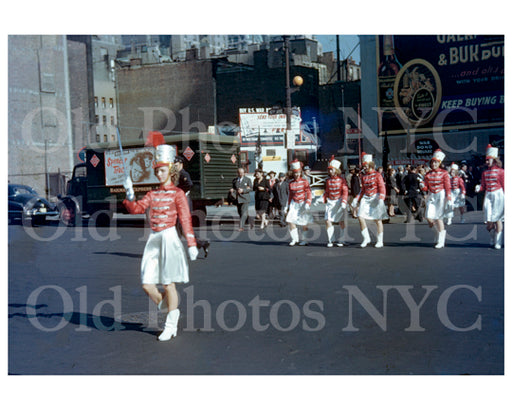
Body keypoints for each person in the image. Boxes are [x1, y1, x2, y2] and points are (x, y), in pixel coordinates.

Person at [123, 143, 198, 342]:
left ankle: (170, 324)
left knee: (168, 283)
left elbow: (185, 219)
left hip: (170, 237)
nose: (158, 174)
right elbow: (137, 209)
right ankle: (171, 311)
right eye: (157, 171)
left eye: (162, 170)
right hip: (154, 239)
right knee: (147, 284)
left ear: (170, 171)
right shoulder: (152, 194)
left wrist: (191, 243)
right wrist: (130, 194)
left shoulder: (178, 194)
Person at [174, 156, 210, 257]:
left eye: (176, 165)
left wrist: (180, 192)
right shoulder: (177, 174)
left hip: (184, 204)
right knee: (180, 228)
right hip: (180, 203)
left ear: (181, 164)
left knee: (180, 227)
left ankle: (200, 243)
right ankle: (201, 243)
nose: (174, 167)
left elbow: (189, 184)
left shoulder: (183, 174)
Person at [351, 153, 387, 248]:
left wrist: (381, 199)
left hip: (376, 197)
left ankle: (380, 240)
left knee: (377, 219)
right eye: (363, 166)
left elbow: (381, 187)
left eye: (365, 165)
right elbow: (362, 190)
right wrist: (356, 199)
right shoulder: (363, 176)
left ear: (370, 165)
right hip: (366, 198)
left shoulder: (377, 175)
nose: (364, 167)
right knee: (360, 216)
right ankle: (366, 238)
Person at [475, 145, 504, 249]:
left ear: (494, 160)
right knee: (489, 223)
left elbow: (505, 185)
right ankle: (492, 237)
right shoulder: (484, 172)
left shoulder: (501, 171)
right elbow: (483, 185)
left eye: (488, 160)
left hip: (499, 195)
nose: (486, 162)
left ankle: (498, 241)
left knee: (498, 219)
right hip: (488, 196)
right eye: (486, 160)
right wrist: (479, 188)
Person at [421, 149, 452, 249]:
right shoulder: (428, 174)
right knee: (429, 218)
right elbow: (426, 187)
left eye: (435, 162)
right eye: (432, 162)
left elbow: (447, 186)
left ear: (439, 163)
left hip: (441, 195)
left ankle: (441, 240)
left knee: (439, 218)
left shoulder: (444, 173)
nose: (433, 164)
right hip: (431, 196)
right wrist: (422, 185)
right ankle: (438, 234)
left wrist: (449, 197)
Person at [285, 160, 313, 246]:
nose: (296, 174)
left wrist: (308, 202)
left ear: (300, 172)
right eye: (295, 173)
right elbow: (290, 195)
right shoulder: (291, 183)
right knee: (290, 220)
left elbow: (309, 193)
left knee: (303, 222)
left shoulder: (305, 182)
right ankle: (295, 239)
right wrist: (288, 206)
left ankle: (305, 240)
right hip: (294, 203)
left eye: (298, 172)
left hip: (303, 203)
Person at [323, 157, 349, 247]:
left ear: (336, 170)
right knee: (327, 220)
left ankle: (342, 239)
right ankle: (331, 239)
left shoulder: (342, 180)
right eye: (329, 170)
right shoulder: (328, 180)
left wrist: (344, 201)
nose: (330, 172)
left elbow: (345, 191)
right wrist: (322, 198)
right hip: (330, 202)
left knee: (341, 221)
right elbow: (326, 191)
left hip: (339, 201)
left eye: (332, 170)